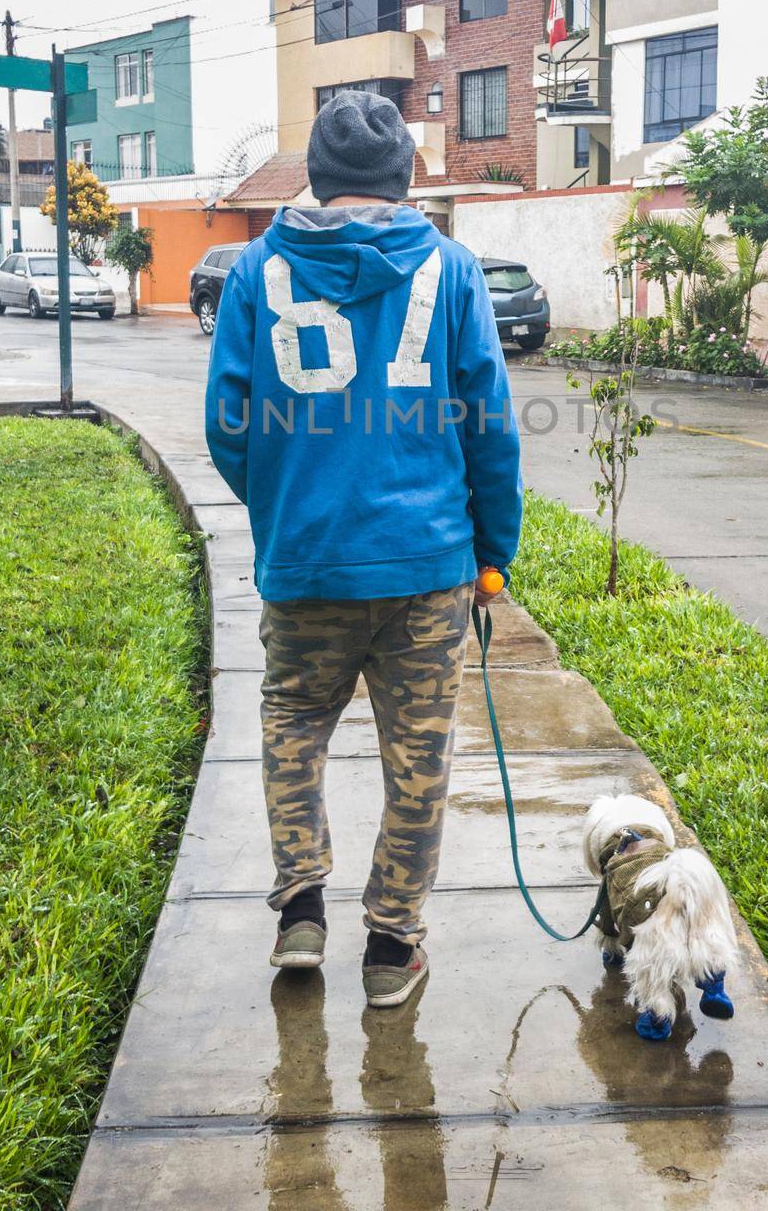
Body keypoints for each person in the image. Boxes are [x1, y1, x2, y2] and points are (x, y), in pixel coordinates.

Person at [205, 89, 522, 1008]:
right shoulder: (452, 269)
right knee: (418, 758)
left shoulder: (257, 270)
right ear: (403, 177)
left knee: (293, 725)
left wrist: (289, 509)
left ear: (314, 173)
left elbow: (229, 424)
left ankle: (301, 905)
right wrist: (491, 552)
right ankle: (392, 948)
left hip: (306, 563)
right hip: (427, 569)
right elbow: (490, 426)